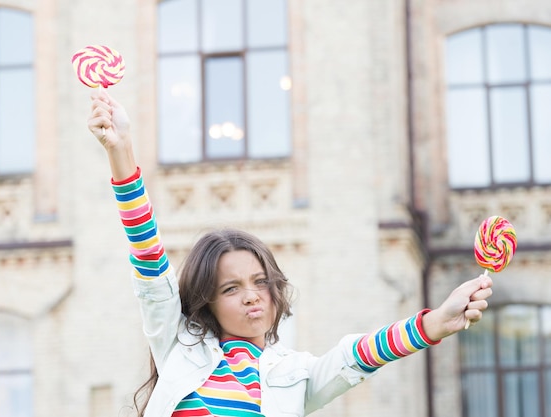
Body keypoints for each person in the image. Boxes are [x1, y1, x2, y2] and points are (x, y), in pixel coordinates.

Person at [87, 90, 493, 417]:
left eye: (260, 282)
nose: (252, 295)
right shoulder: (177, 345)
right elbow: (148, 257)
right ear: (205, 302)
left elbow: (357, 356)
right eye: (230, 288)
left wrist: (435, 322)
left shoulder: (294, 375)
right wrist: (120, 152)